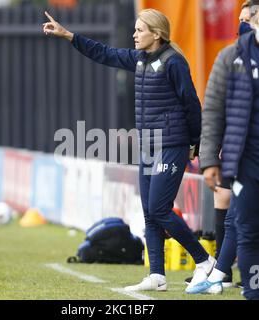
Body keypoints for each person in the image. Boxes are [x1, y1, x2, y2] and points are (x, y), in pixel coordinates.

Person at [43, 8, 216, 293]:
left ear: (157, 34)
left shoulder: (174, 62)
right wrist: (69, 36)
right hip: (148, 145)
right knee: (150, 212)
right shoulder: (139, 60)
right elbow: (105, 53)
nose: (134, 35)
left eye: (140, 30)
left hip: (172, 144)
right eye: (134, 29)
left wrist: (195, 143)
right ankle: (157, 276)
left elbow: (191, 103)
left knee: (160, 210)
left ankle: (204, 260)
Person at [187, 0, 259, 300]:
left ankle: (219, 273)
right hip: (247, 159)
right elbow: (213, 109)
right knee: (247, 228)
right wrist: (208, 161)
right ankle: (251, 291)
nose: (242, 25)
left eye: (246, 18)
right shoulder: (232, 56)